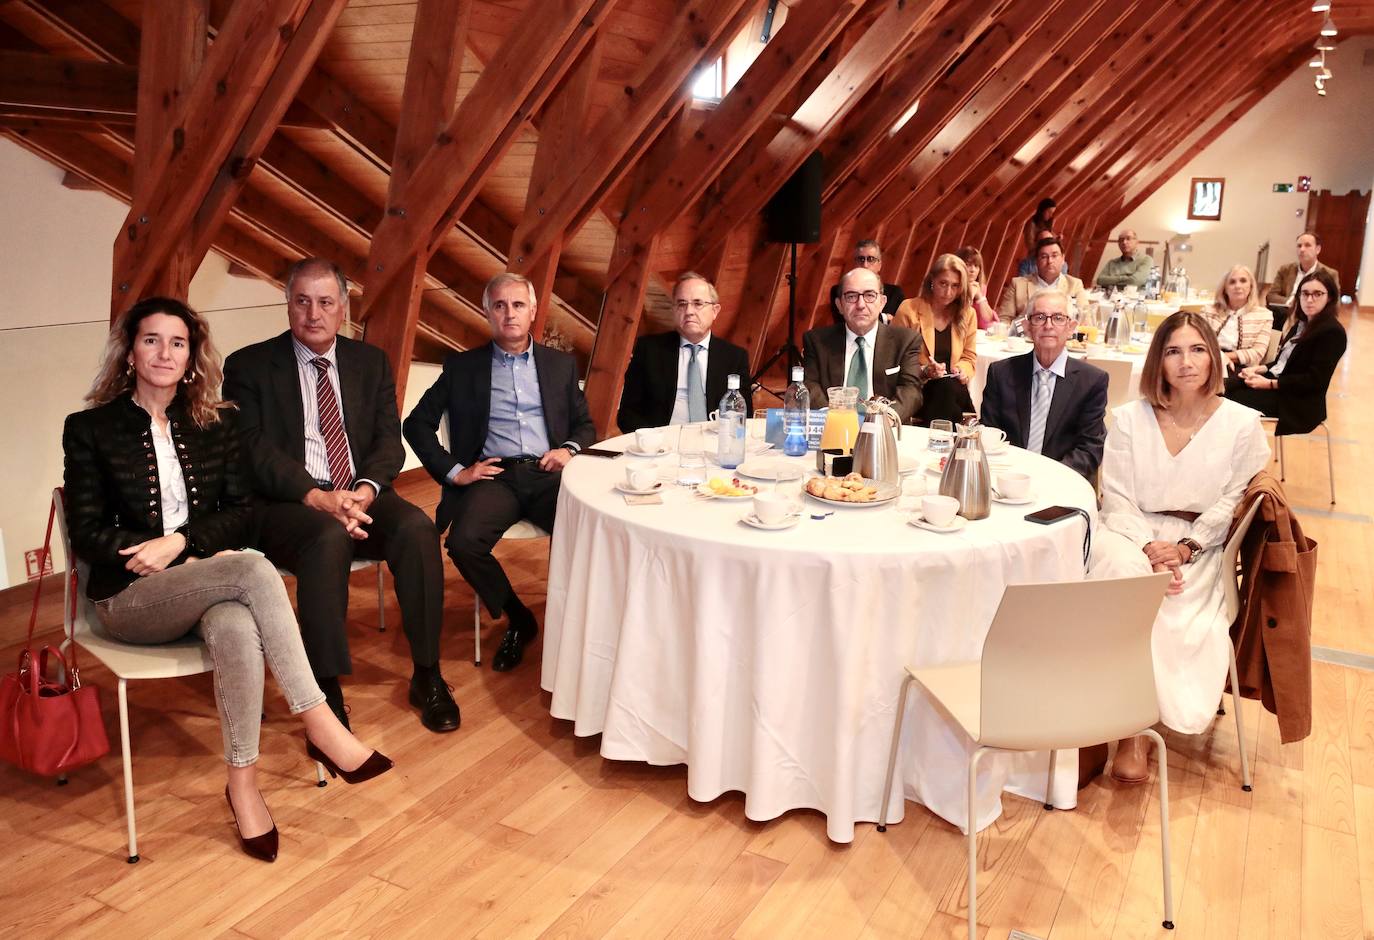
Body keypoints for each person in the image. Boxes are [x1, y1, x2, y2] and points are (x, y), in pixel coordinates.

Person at [63, 297, 391, 863]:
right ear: (130, 352)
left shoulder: (216, 422)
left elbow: (239, 510)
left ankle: (242, 785)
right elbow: (87, 531)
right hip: (129, 597)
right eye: (152, 340)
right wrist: (162, 552)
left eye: (178, 342)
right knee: (252, 566)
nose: (165, 353)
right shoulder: (91, 429)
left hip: (205, 581)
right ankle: (318, 718)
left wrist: (187, 544)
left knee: (238, 624)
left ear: (191, 356)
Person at [223, 258, 458, 734]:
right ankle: (324, 695)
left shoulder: (369, 362)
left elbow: (388, 440)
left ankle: (428, 675)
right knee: (326, 538)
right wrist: (316, 496)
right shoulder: (248, 366)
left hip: (358, 493)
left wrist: (366, 492)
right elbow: (252, 451)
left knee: (416, 529)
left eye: (325, 302)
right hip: (288, 504)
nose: (313, 313)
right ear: (288, 305)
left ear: (343, 307)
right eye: (302, 301)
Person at [1092, 312, 1269, 782]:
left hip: (1202, 541)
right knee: (1119, 582)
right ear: (1158, 361)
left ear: (1213, 355)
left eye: (1196, 349)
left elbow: (1233, 499)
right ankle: (1105, 721)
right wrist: (1149, 545)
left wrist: (1187, 546)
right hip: (1131, 530)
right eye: (1173, 351)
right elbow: (1118, 493)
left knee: (1171, 606)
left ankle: (1140, 728)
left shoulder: (1242, 424)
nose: (1186, 362)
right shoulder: (1129, 419)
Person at [403, 273, 597, 672]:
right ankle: (519, 618)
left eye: (518, 305)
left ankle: (581, 625)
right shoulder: (463, 367)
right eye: (500, 306)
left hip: (548, 473)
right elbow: (416, 424)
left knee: (594, 532)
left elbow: (585, 426)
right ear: (487, 312)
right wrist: (456, 472)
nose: (510, 314)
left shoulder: (560, 366)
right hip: (494, 476)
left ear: (533, 311)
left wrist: (568, 450)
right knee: (464, 543)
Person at [980, 289, 1108, 480]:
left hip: (1062, 481)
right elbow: (989, 435)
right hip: (1007, 480)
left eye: (1058, 318)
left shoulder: (1091, 381)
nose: (1048, 325)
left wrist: (1048, 478)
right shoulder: (1001, 373)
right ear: (1027, 327)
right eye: (1040, 317)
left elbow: (1089, 449)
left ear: (1071, 327)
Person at [617, 271, 752, 433]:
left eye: (698, 303)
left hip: (714, 444)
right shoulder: (649, 350)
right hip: (660, 447)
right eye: (681, 304)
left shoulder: (734, 357)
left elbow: (744, 415)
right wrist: (653, 441)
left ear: (715, 311)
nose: (689, 311)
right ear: (674, 310)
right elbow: (627, 414)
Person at [1225, 269, 1347, 435]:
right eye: (1305, 294)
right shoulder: (1302, 323)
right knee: (1222, 386)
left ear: (1330, 297)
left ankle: (1235, 454)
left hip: (1296, 401)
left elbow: (1314, 381)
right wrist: (1260, 369)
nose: (1309, 299)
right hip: (1279, 383)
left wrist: (1269, 384)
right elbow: (1283, 362)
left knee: (1226, 401)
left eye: (1317, 294)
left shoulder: (1332, 332)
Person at [804, 267, 923, 423]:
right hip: (834, 428)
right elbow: (809, 384)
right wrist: (830, 417)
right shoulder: (817, 341)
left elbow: (912, 390)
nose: (860, 304)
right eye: (851, 296)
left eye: (869, 295)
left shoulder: (905, 341)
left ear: (882, 302)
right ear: (839, 305)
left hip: (883, 431)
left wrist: (888, 418)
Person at [892, 254, 977, 425]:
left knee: (947, 388)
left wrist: (960, 370)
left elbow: (969, 358)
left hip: (952, 387)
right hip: (918, 388)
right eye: (943, 284)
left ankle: (938, 439)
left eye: (955, 286)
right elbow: (894, 358)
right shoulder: (909, 309)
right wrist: (925, 371)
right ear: (932, 280)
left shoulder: (967, 313)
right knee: (944, 391)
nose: (948, 292)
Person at [997, 236, 1090, 327]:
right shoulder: (1018, 284)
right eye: (1044, 257)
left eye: (1054, 256)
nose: (1050, 261)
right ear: (1036, 261)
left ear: (1063, 259)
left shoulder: (1075, 285)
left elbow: (1085, 320)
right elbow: (1004, 320)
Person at [1202, 264, 1273, 370]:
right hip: (1209, 361)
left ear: (1251, 287)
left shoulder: (1264, 315)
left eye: (1243, 281)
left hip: (1242, 367)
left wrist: (1225, 358)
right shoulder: (1208, 311)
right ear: (1225, 289)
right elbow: (1198, 342)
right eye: (1232, 282)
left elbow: (1258, 352)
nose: (1238, 286)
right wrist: (1217, 358)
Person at [827, 239, 906, 325]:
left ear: (879, 265)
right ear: (855, 263)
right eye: (861, 259)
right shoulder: (839, 290)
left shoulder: (894, 293)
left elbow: (897, 325)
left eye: (870, 259)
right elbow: (845, 322)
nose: (865, 265)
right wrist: (885, 318)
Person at [1264, 231, 1340, 310]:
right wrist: (1291, 302)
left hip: (1314, 316)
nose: (1302, 249)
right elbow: (1271, 296)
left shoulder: (1330, 274)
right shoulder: (1285, 270)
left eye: (1307, 245)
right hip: (1287, 313)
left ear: (1318, 249)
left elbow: (1335, 304)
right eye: (1299, 246)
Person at [954, 246, 998, 329]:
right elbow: (959, 320)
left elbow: (988, 320)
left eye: (976, 266)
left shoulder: (980, 287)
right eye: (968, 265)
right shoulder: (952, 288)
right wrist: (970, 296)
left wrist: (980, 298)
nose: (973, 270)